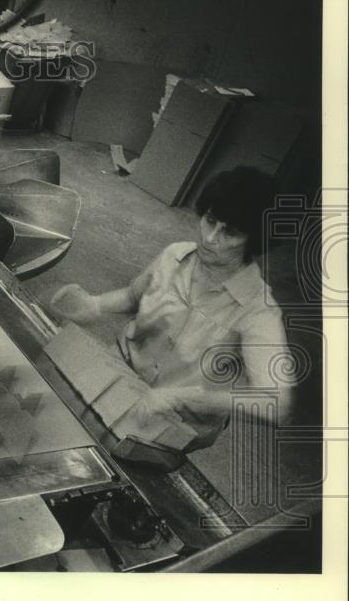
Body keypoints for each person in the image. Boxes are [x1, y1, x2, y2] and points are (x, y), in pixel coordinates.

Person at [50, 166, 292, 458]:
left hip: (170, 425)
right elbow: (133, 296)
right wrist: (96, 305)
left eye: (230, 232)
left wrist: (178, 396)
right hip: (116, 380)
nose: (211, 238)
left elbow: (275, 402)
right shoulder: (174, 255)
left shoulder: (258, 310)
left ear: (254, 240)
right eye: (210, 220)